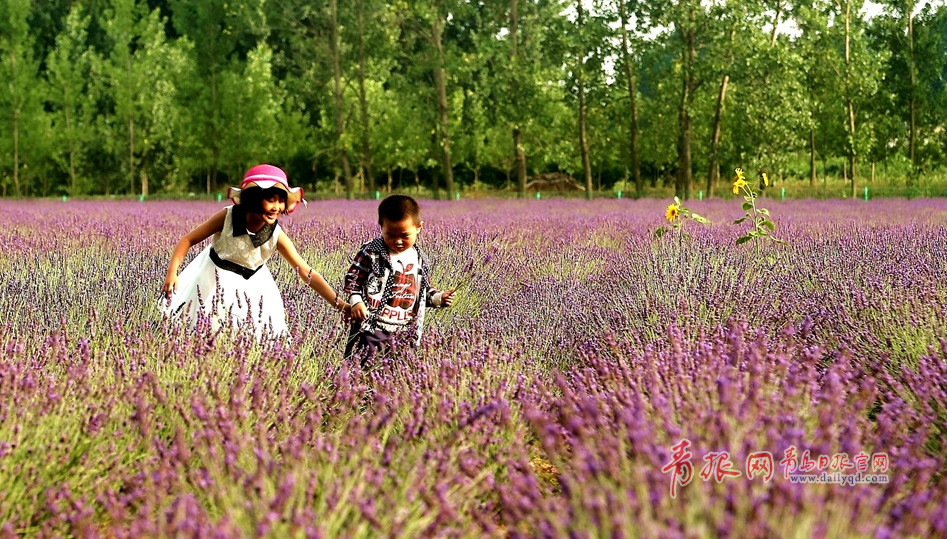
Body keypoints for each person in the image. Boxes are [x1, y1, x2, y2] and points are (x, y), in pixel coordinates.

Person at [162, 164, 348, 338]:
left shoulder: (275, 233)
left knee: (253, 335)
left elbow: (306, 272)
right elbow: (188, 240)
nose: (277, 207)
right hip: (213, 278)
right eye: (270, 200)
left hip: (253, 285)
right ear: (253, 199)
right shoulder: (227, 217)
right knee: (203, 329)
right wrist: (172, 272)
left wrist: (340, 305)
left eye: (281, 201)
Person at [343, 194, 455, 364]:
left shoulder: (419, 258)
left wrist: (439, 298)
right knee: (362, 367)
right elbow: (353, 278)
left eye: (404, 235)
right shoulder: (372, 251)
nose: (398, 241)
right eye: (391, 235)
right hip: (372, 326)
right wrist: (356, 301)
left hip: (405, 330)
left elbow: (422, 290)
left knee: (398, 372)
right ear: (381, 227)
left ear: (418, 227)